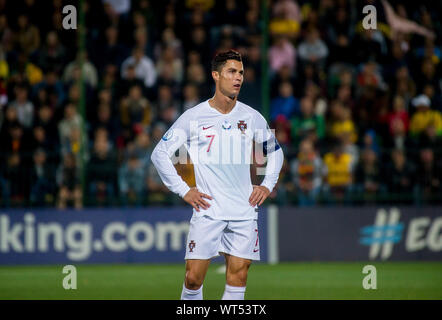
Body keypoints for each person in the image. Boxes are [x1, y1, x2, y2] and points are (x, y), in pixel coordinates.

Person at [150, 50, 284, 300]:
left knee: (239, 276)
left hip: (244, 210)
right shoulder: (194, 117)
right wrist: (184, 189)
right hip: (208, 209)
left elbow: (276, 153)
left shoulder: (252, 117)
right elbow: (160, 154)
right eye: (232, 72)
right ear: (216, 75)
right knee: (192, 278)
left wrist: (266, 185)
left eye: (241, 72)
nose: (238, 78)